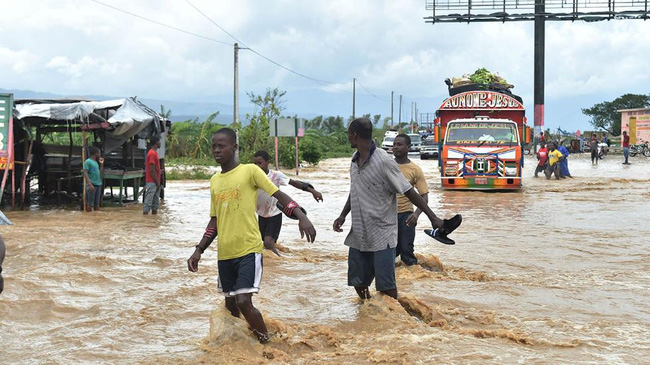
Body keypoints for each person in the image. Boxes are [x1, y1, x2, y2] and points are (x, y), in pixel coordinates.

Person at [187, 128, 316, 344]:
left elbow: (279, 194)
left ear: (234, 148)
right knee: (231, 306)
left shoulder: (250, 171)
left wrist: (302, 216)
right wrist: (199, 250)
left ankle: (267, 345)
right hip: (225, 253)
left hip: (248, 250)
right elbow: (215, 220)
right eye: (214, 146)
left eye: (222, 146)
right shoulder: (215, 181)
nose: (217, 150)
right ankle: (239, 346)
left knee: (243, 300)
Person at [333, 117, 460, 300]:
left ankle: (399, 318)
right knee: (358, 283)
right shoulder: (354, 161)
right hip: (359, 232)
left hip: (382, 233)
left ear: (354, 135)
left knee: (386, 287)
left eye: (348, 135)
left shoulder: (384, 161)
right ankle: (370, 315)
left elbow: (408, 190)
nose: (347, 138)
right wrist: (343, 215)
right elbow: (355, 191)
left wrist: (433, 218)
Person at [252, 150, 323, 256]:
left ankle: (281, 260)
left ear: (267, 162)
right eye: (255, 164)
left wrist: (313, 191)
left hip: (274, 214)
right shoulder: (253, 177)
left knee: (268, 242)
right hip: (261, 215)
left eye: (260, 163)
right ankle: (274, 263)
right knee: (264, 244)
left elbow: (295, 183)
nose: (257, 166)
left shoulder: (276, 175)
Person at [392, 134, 428, 266]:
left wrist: (416, 214)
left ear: (408, 147)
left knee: (406, 251)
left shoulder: (415, 170)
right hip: (386, 215)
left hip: (406, 215)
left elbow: (424, 196)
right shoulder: (386, 166)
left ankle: (411, 280)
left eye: (399, 144)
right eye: (394, 144)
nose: (395, 147)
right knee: (389, 250)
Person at [143, 137, 161, 215]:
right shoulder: (152, 153)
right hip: (152, 181)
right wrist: (157, 182)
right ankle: (145, 217)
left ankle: (153, 219)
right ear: (156, 143)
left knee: (155, 203)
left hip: (155, 181)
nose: (160, 143)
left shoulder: (154, 153)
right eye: (159, 141)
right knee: (148, 202)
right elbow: (152, 169)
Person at [82, 146, 103, 212]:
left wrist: (101, 164)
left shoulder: (96, 163)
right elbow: (85, 173)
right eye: (99, 153)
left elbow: (100, 172)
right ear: (96, 153)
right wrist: (90, 184)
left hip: (98, 184)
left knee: (97, 204)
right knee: (90, 204)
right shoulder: (88, 161)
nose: (100, 155)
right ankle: (89, 219)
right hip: (92, 184)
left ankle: (95, 218)